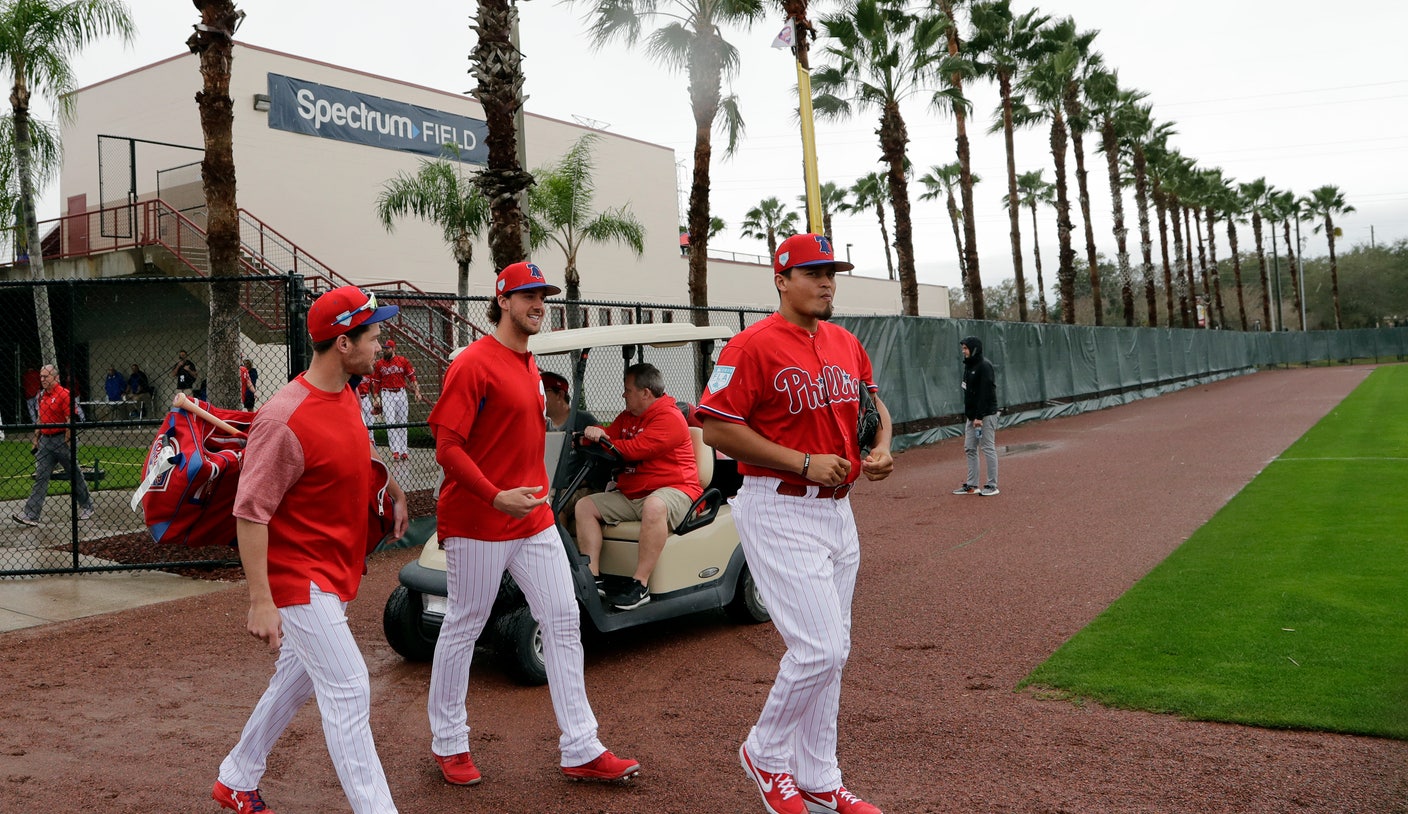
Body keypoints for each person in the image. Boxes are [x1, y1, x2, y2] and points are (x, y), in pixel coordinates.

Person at [697, 233, 894, 814]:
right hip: (777, 501)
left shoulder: (845, 342)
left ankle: (821, 777)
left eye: (831, 271)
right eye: (812, 272)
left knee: (836, 649)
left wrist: (881, 446)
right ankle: (765, 752)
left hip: (839, 509)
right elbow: (715, 428)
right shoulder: (750, 345)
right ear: (781, 280)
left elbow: (872, 408)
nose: (826, 281)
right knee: (819, 648)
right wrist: (802, 462)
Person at [426, 261, 639, 787]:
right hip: (480, 518)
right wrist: (495, 495)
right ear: (503, 300)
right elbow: (447, 446)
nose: (538, 304)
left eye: (542, 296)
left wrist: (521, 497)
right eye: (527, 295)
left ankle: (581, 746)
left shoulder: (529, 363)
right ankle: (449, 743)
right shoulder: (473, 363)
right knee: (465, 624)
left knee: (564, 618)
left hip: (534, 517)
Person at [213, 285, 408, 814]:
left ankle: (237, 775)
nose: (380, 343)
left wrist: (388, 483)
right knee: (348, 688)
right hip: (300, 578)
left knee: (295, 682)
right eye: (372, 334)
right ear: (343, 343)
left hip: (333, 566)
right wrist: (261, 600)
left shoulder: (345, 392)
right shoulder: (284, 418)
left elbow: (351, 449)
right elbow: (249, 513)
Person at [573, 362, 703, 610]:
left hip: (677, 491)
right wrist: (589, 434)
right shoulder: (627, 418)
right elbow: (610, 434)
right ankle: (592, 577)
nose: (624, 395)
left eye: (628, 390)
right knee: (585, 505)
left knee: (654, 506)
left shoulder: (669, 418)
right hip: (634, 494)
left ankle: (640, 584)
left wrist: (602, 440)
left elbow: (634, 450)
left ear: (646, 392)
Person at [12, 365, 97, 527]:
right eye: (41, 377)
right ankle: (31, 515)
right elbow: (40, 419)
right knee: (41, 476)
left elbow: (69, 418)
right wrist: (36, 438)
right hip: (45, 441)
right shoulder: (41, 396)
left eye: (46, 377)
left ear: (55, 378)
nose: (42, 379)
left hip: (61, 440)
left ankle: (87, 505)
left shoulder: (64, 394)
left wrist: (67, 438)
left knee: (74, 474)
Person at [952, 336, 999, 497]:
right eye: (963, 348)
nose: (963, 351)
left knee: (987, 448)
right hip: (972, 416)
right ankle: (972, 485)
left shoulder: (985, 366)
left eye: (965, 348)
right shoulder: (968, 366)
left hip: (985, 415)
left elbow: (986, 393)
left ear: (974, 349)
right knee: (970, 448)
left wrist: (979, 417)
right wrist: (971, 415)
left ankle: (992, 485)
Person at [372, 339, 420, 461]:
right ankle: (396, 451)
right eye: (384, 348)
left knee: (402, 421)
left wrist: (417, 391)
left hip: (401, 393)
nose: (385, 350)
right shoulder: (379, 364)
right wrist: (376, 398)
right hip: (387, 393)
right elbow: (376, 383)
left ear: (394, 349)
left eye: (388, 348)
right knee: (390, 422)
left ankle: (404, 450)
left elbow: (412, 377)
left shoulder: (403, 361)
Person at [355, 372, 378, 444]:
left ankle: (371, 440)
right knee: (360, 422)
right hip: (356, 398)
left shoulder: (368, 373)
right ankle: (362, 441)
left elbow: (372, 387)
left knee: (370, 420)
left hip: (366, 398)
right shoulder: (354, 373)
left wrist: (375, 400)